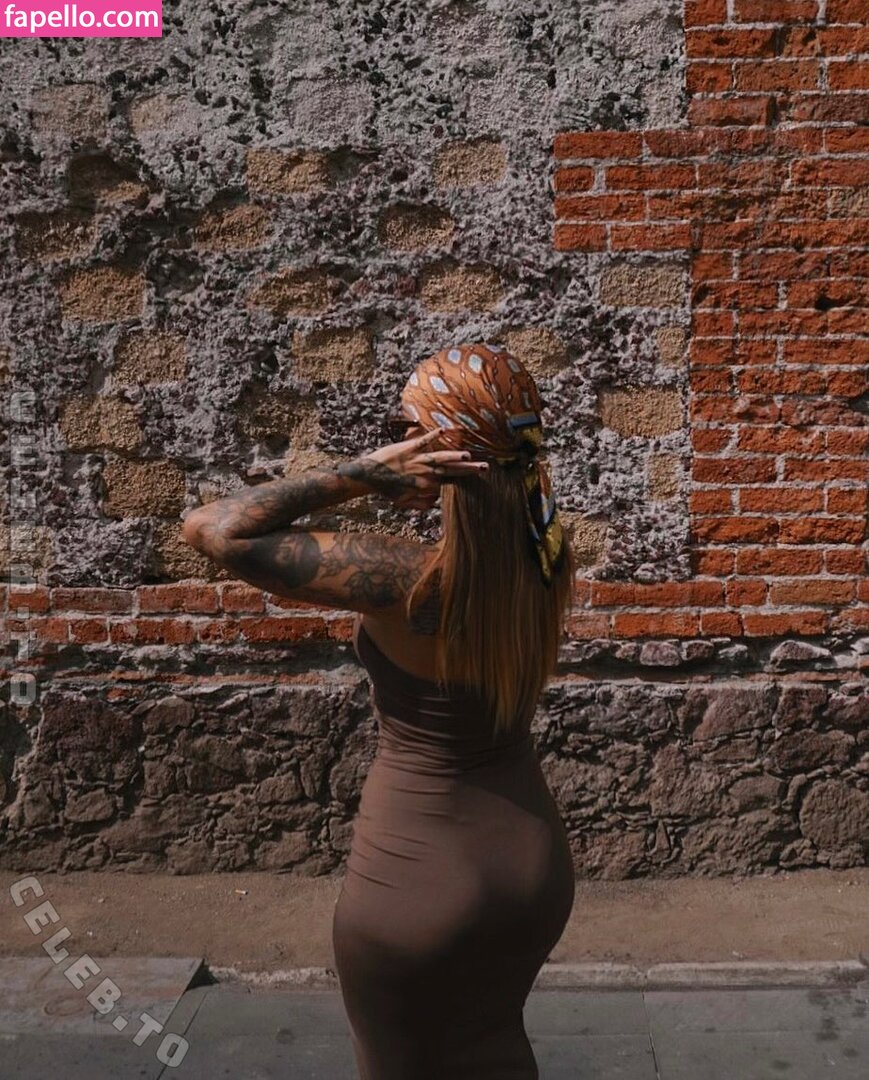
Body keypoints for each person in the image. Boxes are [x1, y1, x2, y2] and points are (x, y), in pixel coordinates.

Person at [181, 342, 577, 1079]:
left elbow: (212, 528)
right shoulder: (547, 551)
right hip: (532, 864)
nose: (397, 440)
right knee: (495, 1050)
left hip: (418, 876)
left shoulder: (406, 580)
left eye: (407, 430)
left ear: (438, 451)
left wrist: (360, 473)